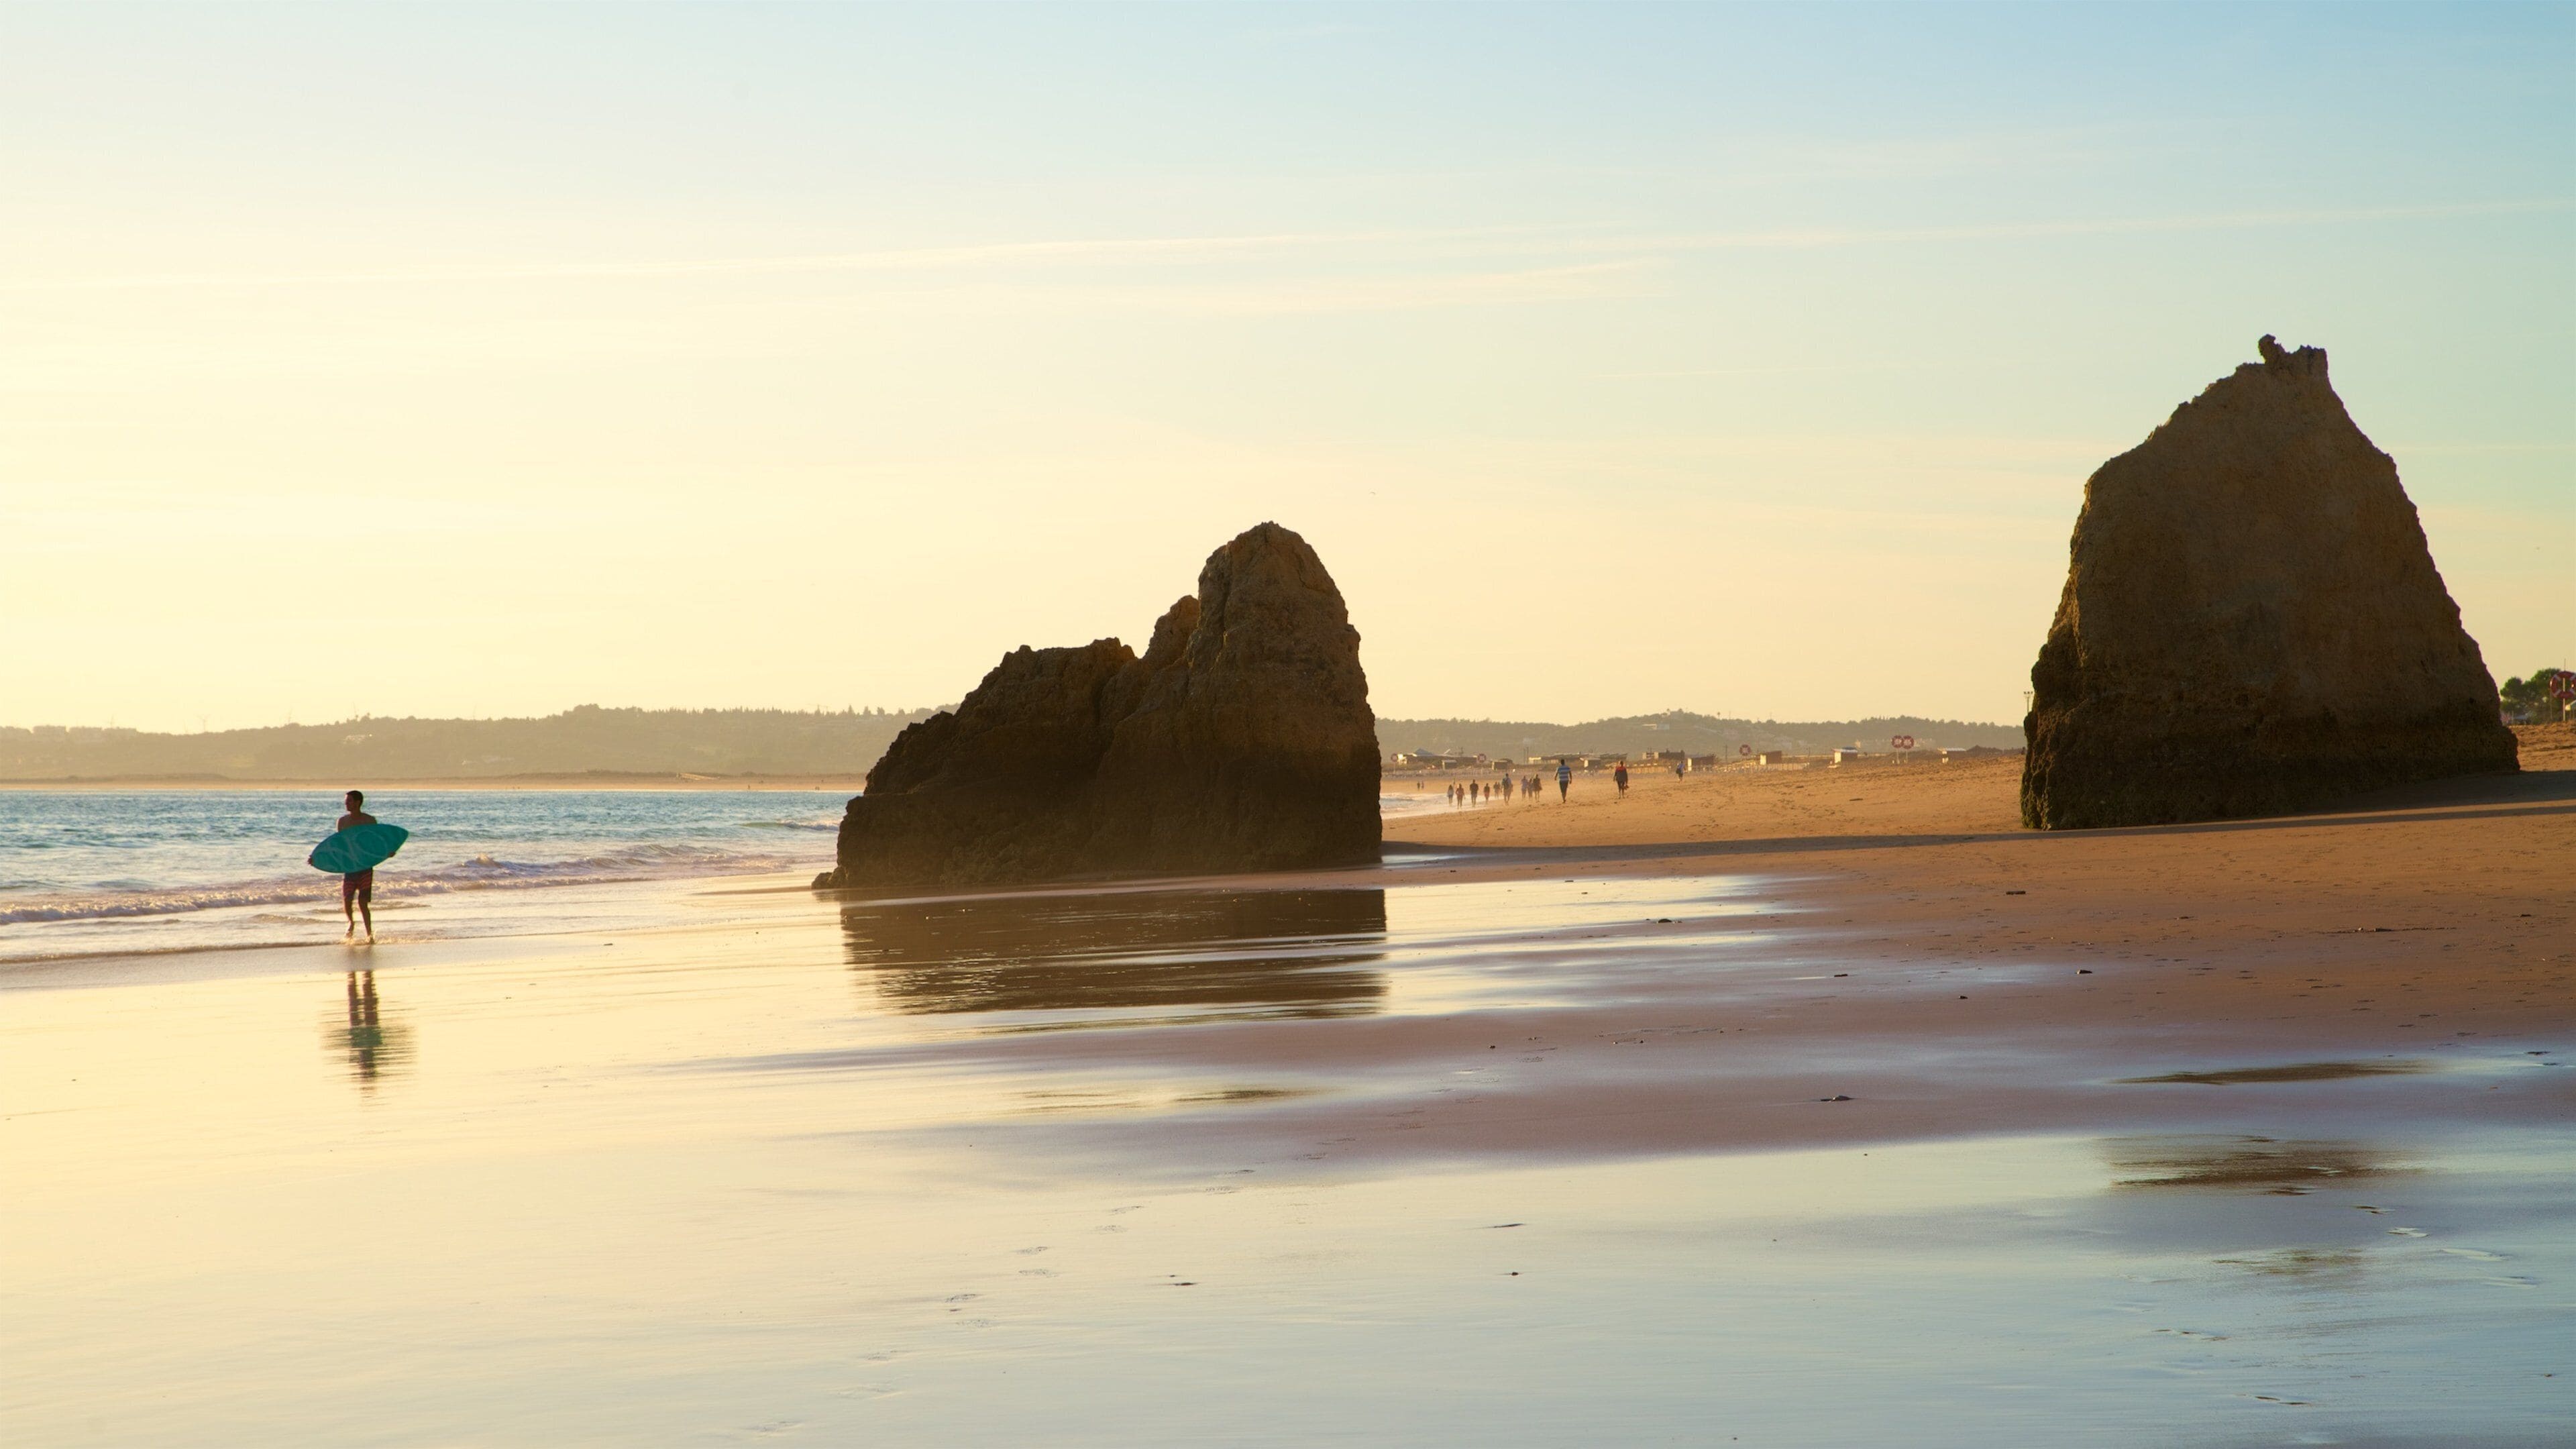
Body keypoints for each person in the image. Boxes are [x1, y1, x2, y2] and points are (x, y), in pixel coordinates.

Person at [336, 789, 377, 941]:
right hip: (350, 867)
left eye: (349, 801)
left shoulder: (370, 821)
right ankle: (351, 922)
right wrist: (319, 859)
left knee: (363, 902)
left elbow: (376, 843)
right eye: (346, 801)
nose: (346, 804)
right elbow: (338, 844)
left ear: (358, 802)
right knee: (347, 899)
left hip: (365, 866)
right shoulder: (343, 822)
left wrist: (387, 852)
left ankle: (369, 934)